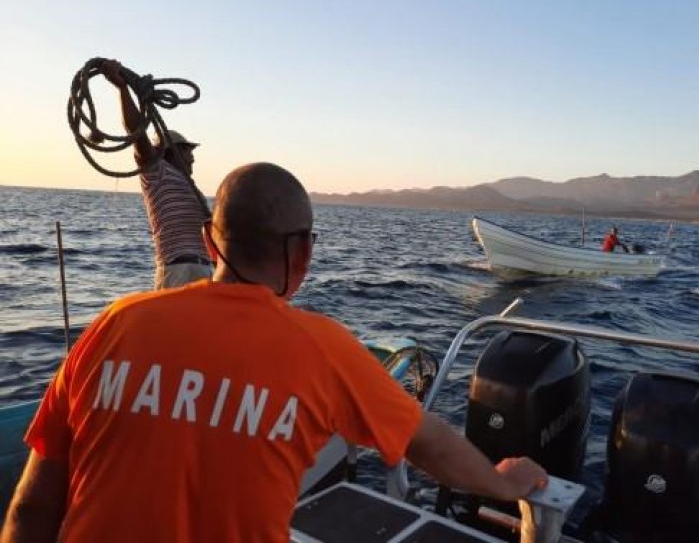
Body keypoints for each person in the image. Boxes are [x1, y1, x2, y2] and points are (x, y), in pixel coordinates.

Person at [2, 162, 548, 543]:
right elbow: (432, 447)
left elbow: (31, 506)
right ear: (305, 251)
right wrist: (505, 482)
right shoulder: (325, 350)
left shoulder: (115, 324)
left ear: (210, 242)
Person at [100, 59, 213, 290]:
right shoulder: (157, 174)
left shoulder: (191, 188)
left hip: (205, 271)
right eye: (185, 150)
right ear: (168, 152)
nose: (192, 157)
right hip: (179, 270)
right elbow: (136, 133)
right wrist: (123, 89)